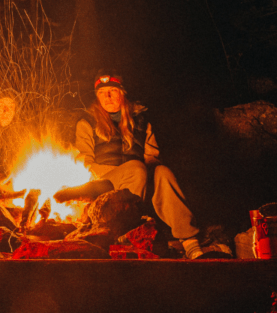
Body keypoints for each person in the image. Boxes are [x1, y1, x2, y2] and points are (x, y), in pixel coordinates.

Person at [73, 72, 207, 259]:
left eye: (113, 91)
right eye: (102, 92)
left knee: (162, 172)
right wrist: (127, 171)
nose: (108, 96)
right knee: (136, 168)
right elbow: (84, 162)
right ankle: (126, 234)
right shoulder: (87, 121)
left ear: (122, 93)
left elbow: (152, 156)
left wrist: (146, 170)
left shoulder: (141, 121)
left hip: (138, 181)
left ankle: (190, 242)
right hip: (104, 184)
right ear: (97, 96)